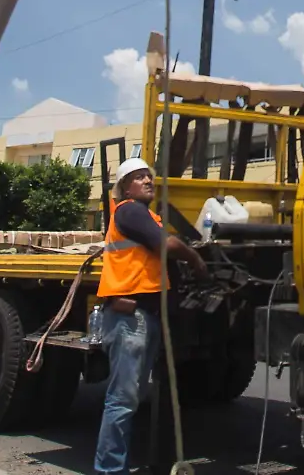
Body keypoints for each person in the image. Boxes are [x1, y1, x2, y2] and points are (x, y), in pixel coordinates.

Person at [91, 158, 208, 475]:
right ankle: (108, 469)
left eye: (148, 176)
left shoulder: (148, 216)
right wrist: (196, 258)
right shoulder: (129, 210)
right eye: (138, 177)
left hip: (144, 317)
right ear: (125, 187)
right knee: (122, 399)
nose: (146, 180)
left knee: (132, 397)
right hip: (131, 318)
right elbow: (166, 245)